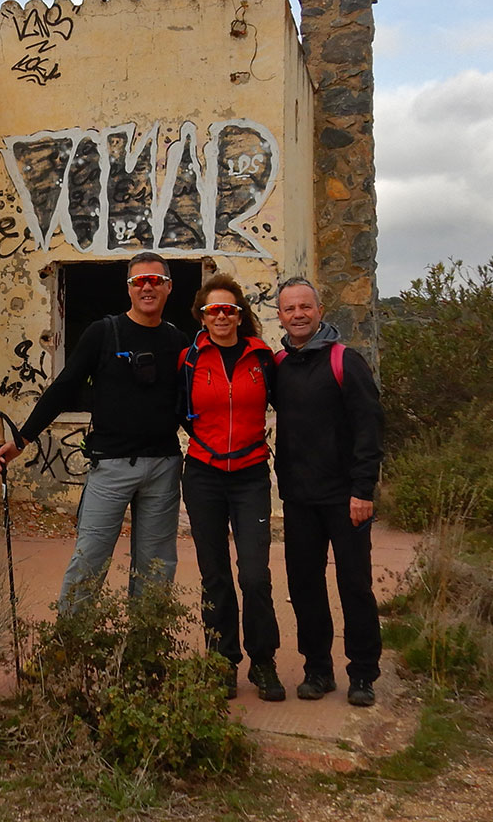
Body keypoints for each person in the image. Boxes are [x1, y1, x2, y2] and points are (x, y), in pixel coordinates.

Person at [0, 251, 189, 612]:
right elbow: (64, 387)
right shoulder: (104, 333)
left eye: (155, 281)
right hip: (110, 465)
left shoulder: (178, 341)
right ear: (129, 288)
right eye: (139, 281)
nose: (147, 287)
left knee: (156, 569)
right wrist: (21, 440)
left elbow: (191, 405)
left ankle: (146, 656)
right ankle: (70, 649)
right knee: (89, 560)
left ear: (169, 287)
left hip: (163, 466)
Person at [272, 277, 385, 707]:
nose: (298, 315)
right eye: (289, 309)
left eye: (305, 307)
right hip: (299, 498)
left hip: (346, 499)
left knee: (354, 584)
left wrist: (363, 489)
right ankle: (318, 670)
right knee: (305, 587)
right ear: (279, 315)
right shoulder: (280, 364)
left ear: (320, 311)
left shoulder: (346, 361)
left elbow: (369, 428)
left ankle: (363, 674)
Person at [178, 273, 283, 701]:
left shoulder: (262, 358)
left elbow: (291, 406)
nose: (221, 316)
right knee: (215, 574)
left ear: (240, 314)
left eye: (229, 309)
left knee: (255, 575)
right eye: (213, 310)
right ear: (202, 316)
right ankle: (222, 661)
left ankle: (263, 662)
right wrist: (205, 443)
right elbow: (180, 410)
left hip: (251, 475)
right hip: (203, 474)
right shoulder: (188, 359)